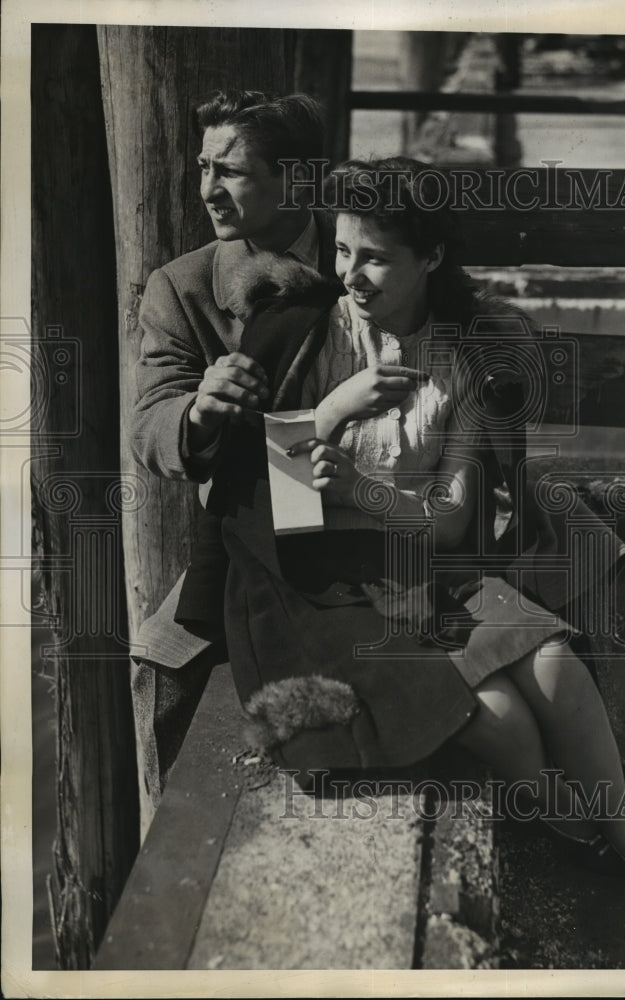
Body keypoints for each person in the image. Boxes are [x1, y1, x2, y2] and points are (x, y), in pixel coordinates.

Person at [206, 156, 625, 926]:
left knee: (556, 663)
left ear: (431, 258)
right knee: (501, 717)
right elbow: (265, 512)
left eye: (374, 256)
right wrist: (334, 409)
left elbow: (450, 518)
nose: (352, 275)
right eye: (342, 251)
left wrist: (362, 490)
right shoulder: (298, 337)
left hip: (422, 566)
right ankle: (565, 809)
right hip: (315, 592)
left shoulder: (464, 360)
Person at [129, 89, 339, 830]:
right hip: (247, 525)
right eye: (202, 166)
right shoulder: (182, 287)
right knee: (162, 672)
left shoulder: (365, 254)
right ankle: (168, 857)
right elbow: (149, 422)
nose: (208, 189)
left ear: (298, 180)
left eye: (233, 171)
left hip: (365, 504)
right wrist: (199, 410)